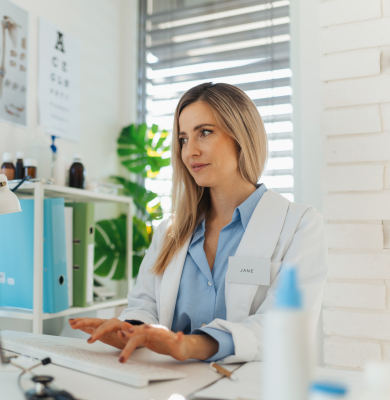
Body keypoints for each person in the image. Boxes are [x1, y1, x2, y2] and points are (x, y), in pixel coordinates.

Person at [69, 82, 327, 364]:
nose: (190, 151)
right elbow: (144, 305)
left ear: (241, 136)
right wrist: (132, 330)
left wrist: (194, 345)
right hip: (171, 384)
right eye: (183, 139)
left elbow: (286, 327)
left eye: (204, 133)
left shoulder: (300, 225)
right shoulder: (171, 230)